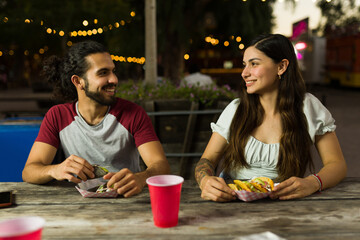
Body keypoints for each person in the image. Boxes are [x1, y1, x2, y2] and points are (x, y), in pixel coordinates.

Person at [195, 34, 347, 202]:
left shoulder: (307, 107)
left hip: (287, 204)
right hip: (232, 202)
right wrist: (205, 180)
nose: (244, 73)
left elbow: (337, 165)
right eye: (245, 65)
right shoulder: (236, 109)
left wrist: (312, 183)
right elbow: (206, 161)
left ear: (281, 67)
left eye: (254, 64)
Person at [22, 40, 170, 197]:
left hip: (126, 199)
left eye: (113, 71)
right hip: (76, 205)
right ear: (78, 81)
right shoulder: (57, 116)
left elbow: (161, 166)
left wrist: (141, 178)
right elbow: (29, 171)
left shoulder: (133, 113)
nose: (114, 79)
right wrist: (55, 169)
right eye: (103, 73)